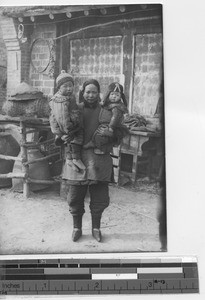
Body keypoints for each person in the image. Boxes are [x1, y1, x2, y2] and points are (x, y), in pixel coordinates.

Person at [61, 79, 114, 242]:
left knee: (99, 197)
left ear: (99, 94)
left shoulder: (107, 111)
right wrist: (62, 136)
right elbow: (61, 125)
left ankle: (96, 228)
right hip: (77, 157)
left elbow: (119, 131)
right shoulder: (74, 109)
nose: (91, 95)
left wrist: (113, 135)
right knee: (75, 197)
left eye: (94, 92)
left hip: (99, 157)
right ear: (82, 93)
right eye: (87, 92)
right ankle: (77, 228)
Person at [49, 70, 85, 171]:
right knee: (73, 140)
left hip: (69, 125)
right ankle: (75, 158)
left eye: (71, 86)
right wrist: (63, 132)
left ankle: (71, 160)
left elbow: (73, 111)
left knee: (71, 143)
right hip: (65, 127)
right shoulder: (58, 100)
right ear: (59, 88)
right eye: (65, 86)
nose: (69, 89)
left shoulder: (69, 98)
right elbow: (57, 117)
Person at [83, 82, 128, 154]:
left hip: (108, 125)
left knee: (101, 135)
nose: (114, 96)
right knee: (97, 134)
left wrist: (111, 128)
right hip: (102, 125)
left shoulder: (117, 107)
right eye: (112, 94)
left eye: (117, 95)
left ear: (120, 97)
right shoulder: (106, 104)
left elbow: (115, 117)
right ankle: (93, 143)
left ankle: (102, 149)